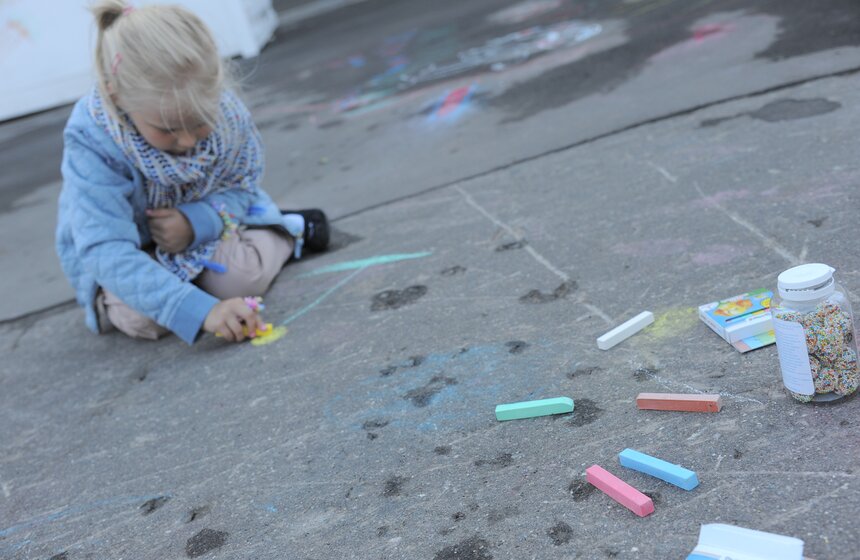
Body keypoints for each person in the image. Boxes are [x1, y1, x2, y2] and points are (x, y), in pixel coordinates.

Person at [56, 0, 328, 344]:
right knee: (142, 319)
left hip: (205, 227)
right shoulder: (93, 138)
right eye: (167, 129)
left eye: (200, 122)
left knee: (243, 280)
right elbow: (105, 248)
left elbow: (241, 186)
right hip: (134, 251)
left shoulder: (227, 114)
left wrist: (197, 222)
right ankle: (184, 290)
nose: (186, 141)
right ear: (117, 95)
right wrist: (202, 311)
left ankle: (288, 230)